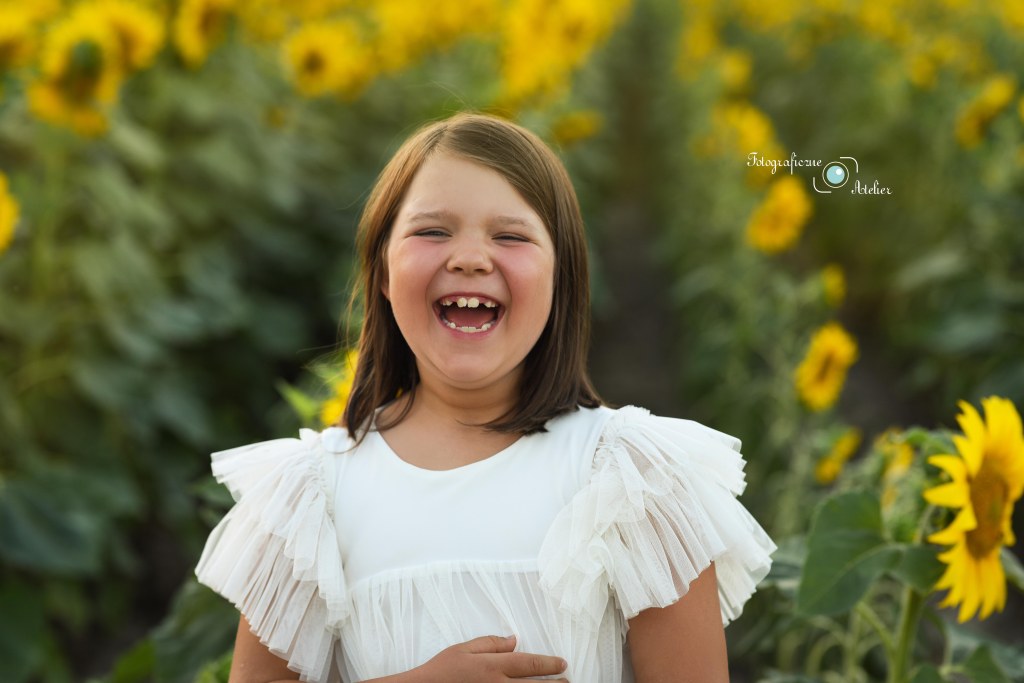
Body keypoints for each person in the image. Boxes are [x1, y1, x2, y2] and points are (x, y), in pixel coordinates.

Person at [195, 111, 777, 683]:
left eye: (510, 236)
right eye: (431, 231)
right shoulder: (313, 497)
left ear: (561, 276)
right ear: (381, 270)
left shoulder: (634, 481)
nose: (470, 257)